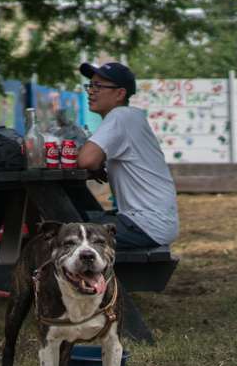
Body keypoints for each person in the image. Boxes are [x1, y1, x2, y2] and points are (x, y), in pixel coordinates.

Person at [75, 61, 179, 249]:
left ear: (120, 94)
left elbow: (86, 159)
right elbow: (93, 161)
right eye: (90, 85)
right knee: (73, 219)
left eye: (98, 86)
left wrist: (93, 164)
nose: (91, 91)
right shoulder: (130, 118)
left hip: (145, 226)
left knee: (66, 235)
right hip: (152, 223)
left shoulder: (120, 116)